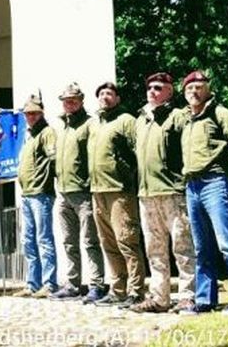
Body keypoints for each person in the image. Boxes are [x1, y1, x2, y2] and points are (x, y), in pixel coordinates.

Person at [177, 71, 228, 314]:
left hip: (215, 184)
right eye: (190, 88)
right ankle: (205, 300)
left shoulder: (222, 113)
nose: (194, 92)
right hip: (191, 186)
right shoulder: (187, 119)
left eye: (199, 87)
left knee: (227, 243)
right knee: (202, 248)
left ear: (208, 89)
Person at [130, 72, 196, 314]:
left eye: (158, 88)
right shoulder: (141, 119)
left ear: (169, 91)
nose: (152, 92)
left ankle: (188, 296)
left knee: (183, 248)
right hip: (146, 194)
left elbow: (192, 143)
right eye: (149, 87)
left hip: (172, 192)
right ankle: (160, 299)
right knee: (154, 250)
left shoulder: (177, 116)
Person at [87, 82, 145, 308]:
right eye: (101, 94)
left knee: (127, 241)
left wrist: (129, 173)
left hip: (119, 190)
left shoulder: (126, 120)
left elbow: (137, 151)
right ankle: (118, 289)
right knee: (108, 243)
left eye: (109, 94)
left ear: (117, 98)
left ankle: (136, 290)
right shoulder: (94, 124)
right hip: (97, 190)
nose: (105, 97)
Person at [50, 83, 105, 302]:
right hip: (63, 192)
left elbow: (94, 156)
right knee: (68, 242)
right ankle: (72, 284)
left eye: (73, 100)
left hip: (83, 193)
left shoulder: (89, 124)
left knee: (90, 241)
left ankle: (97, 284)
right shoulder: (62, 127)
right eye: (65, 100)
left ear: (81, 101)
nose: (69, 104)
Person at [13, 93, 58, 298]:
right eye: (27, 113)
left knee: (44, 239)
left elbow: (53, 156)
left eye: (33, 113)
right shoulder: (28, 135)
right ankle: (33, 283)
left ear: (41, 113)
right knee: (28, 241)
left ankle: (49, 283)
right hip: (27, 193)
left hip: (41, 193)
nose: (30, 116)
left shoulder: (47, 132)